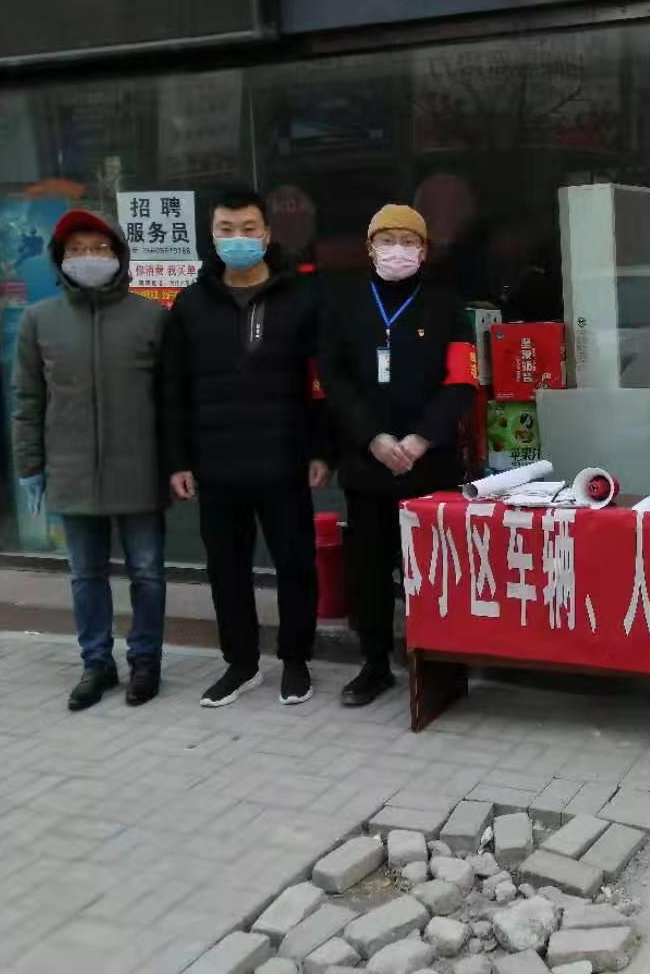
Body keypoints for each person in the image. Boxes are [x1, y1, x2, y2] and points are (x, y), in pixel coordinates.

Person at [163, 188, 331, 708]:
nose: (238, 238)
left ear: (267, 234)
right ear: (212, 237)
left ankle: (296, 660)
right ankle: (240, 664)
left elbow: (321, 382)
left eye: (248, 228)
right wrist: (178, 460)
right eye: (226, 229)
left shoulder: (301, 299)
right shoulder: (190, 305)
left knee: (295, 565)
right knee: (226, 571)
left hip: (284, 460)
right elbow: (172, 389)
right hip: (216, 465)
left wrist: (321, 450)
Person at [320, 204, 479, 706]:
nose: (397, 251)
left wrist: (420, 439)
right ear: (369, 248)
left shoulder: (447, 305)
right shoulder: (343, 304)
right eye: (386, 241)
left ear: (424, 251)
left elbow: (462, 382)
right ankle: (374, 665)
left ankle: (438, 664)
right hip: (367, 463)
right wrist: (373, 438)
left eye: (408, 242)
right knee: (368, 571)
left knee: (433, 571)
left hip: (430, 465)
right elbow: (333, 380)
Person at [12, 210, 168, 710]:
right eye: (77, 250)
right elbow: (27, 400)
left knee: (148, 573)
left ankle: (146, 660)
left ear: (119, 256)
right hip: (72, 469)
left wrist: (177, 463)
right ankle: (96, 663)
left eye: (100, 249)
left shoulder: (151, 317)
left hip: (140, 468)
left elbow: (172, 400)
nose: (89, 258)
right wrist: (29, 466)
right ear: (60, 259)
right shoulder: (39, 320)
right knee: (85, 576)